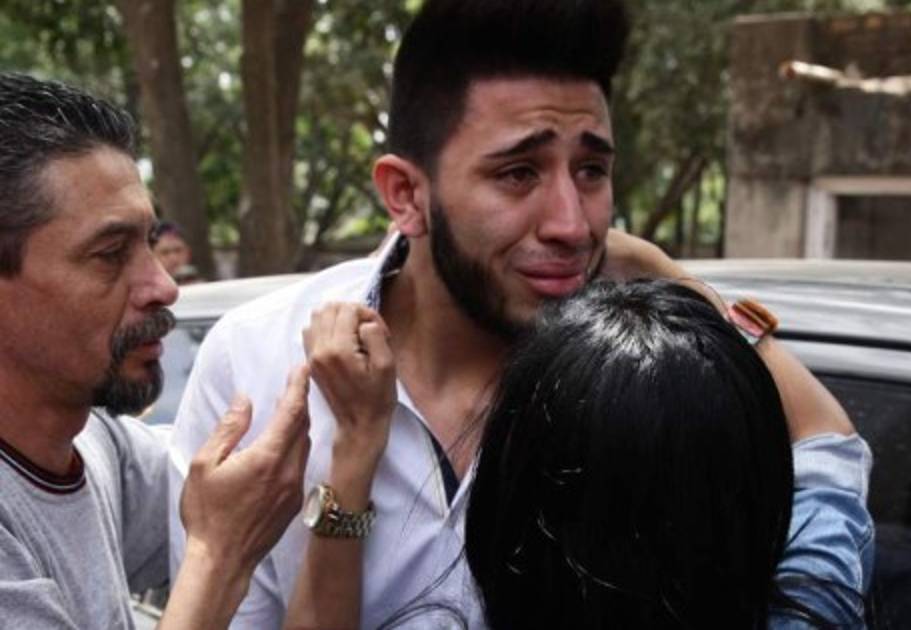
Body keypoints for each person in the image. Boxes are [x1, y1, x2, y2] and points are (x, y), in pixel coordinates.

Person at [168, 0, 631, 626]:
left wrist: (675, 281)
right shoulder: (257, 363)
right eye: (519, 173)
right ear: (407, 194)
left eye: (592, 171)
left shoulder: (640, 376)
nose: (571, 225)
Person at [295, 276, 873, 628]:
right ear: (760, 510)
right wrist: (664, 272)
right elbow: (827, 439)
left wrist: (357, 443)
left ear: (501, 513)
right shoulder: (811, 609)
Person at [0, 72, 311, 629]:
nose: (163, 286)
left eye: (148, 242)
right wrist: (216, 555)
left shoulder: (96, 447)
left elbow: (243, 478)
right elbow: (219, 526)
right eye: (109, 254)